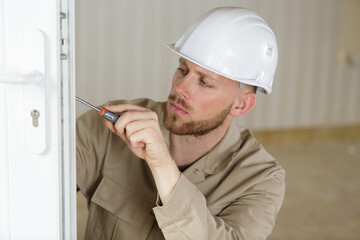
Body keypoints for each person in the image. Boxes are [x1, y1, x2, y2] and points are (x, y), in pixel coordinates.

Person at [76, 7, 285, 240]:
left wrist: (163, 165)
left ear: (241, 105)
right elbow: (39, 174)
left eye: (204, 82)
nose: (180, 88)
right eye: (182, 69)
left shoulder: (261, 179)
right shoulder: (115, 126)